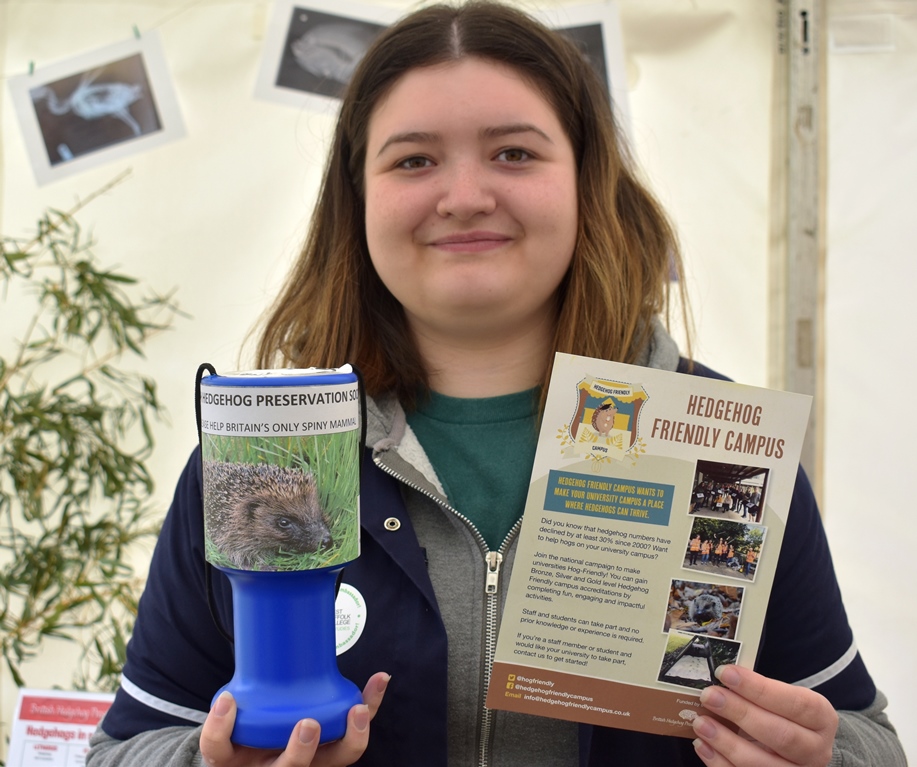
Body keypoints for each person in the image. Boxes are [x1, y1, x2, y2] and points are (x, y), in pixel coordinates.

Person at [87, 3, 905, 766]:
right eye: (413, 160)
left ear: (587, 182)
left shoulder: (717, 458)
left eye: (513, 152)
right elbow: (127, 743)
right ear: (356, 200)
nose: (466, 196)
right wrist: (205, 758)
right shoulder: (264, 456)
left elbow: (868, 736)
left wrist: (819, 753)